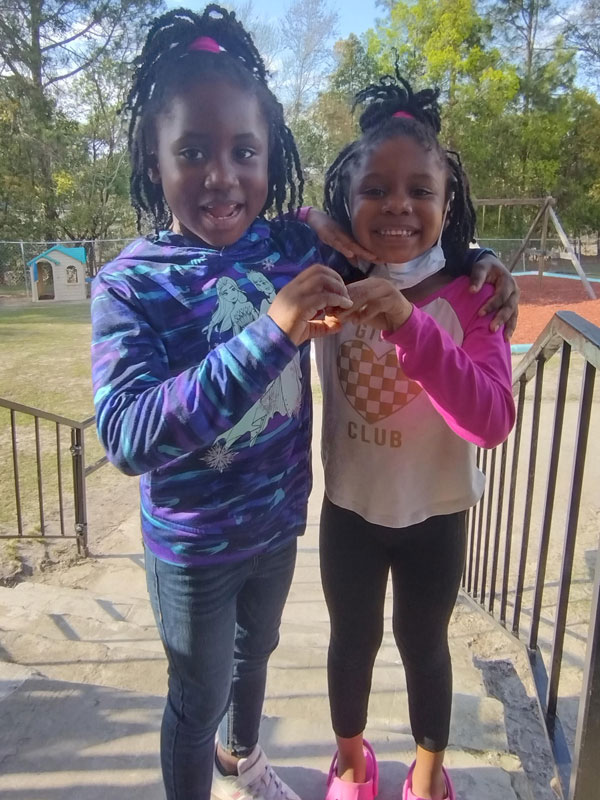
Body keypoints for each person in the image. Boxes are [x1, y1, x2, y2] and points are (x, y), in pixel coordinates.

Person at [91, 6, 517, 800]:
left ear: (270, 158)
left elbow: (390, 229)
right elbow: (126, 433)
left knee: (258, 660)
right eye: (192, 151)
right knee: (198, 694)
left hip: (280, 526)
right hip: (192, 548)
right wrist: (273, 331)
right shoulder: (129, 282)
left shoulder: (286, 244)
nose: (222, 175)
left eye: (244, 152)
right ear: (153, 162)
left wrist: (481, 257)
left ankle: (243, 759)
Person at [314, 73, 516, 800]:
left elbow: (490, 420)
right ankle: (350, 761)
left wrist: (410, 321)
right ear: (348, 200)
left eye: (419, 190)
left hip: (436, 514)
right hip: (350, 510)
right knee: (352, 644)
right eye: (374, 188)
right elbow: (290, 216)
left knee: (424, 646)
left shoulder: (474, 293)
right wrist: (326, 233)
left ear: (447, 201)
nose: (397, 204)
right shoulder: (330, 276)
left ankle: (427, 773)